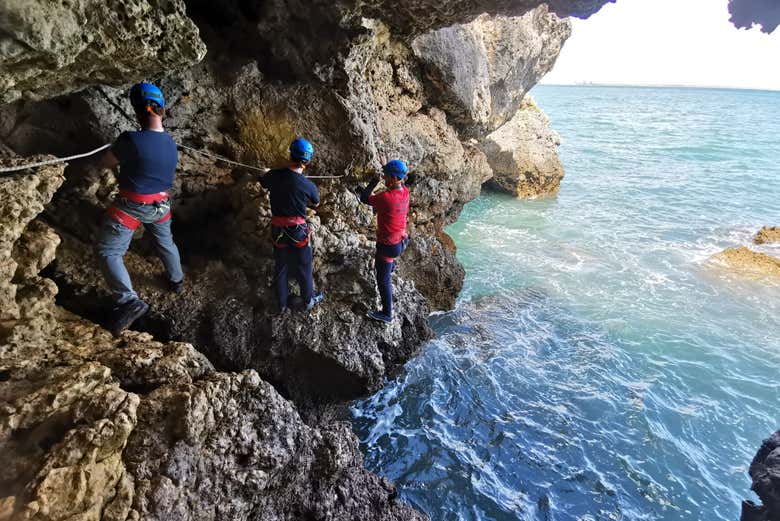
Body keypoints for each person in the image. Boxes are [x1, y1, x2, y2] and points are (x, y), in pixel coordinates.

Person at [96, 82, 184, 335]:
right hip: (161, 205)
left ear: (136, 110)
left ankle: (128, 301)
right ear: (162, 109)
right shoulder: (170, 143)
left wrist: (120, 151)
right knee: (165, 242)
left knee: (108, 251)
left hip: (132, 206)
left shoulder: (130, 140)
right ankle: (176, 280)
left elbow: (106, 162)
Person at [259, 138, 325, 313]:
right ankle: (308, 300)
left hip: (278, 230)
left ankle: (281, 304)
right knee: (304, 266)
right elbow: (316, 203)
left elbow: (263, 181)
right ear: (307, 161)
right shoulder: (307, 184)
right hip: (298, 232)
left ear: (290, 153)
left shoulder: (274, 175)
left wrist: (265, 172)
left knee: (281, 265)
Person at [359, 159, 410, 323]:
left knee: (382, 280)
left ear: (395, 178)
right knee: (386, 267)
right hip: (401, 241)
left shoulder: (387, 197)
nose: (384, 178)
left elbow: (364, 197)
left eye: (386, 176)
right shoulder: (405, 192)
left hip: (389, 245)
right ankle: (391, 266)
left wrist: (374, 181)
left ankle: (387, 314)